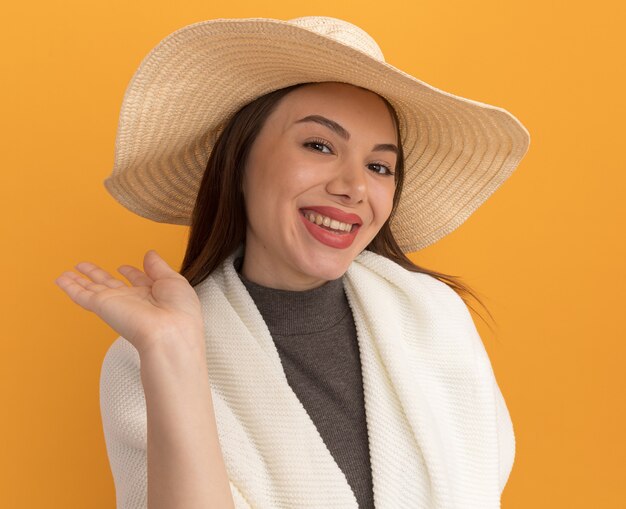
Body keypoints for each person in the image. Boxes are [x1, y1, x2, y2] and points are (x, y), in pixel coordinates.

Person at [54, 16, 530, 509]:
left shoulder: (436, 320)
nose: (354, 187)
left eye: (379, 166)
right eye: (319, 145)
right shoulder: (143, 358)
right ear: (239, 162)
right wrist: (173, 355)